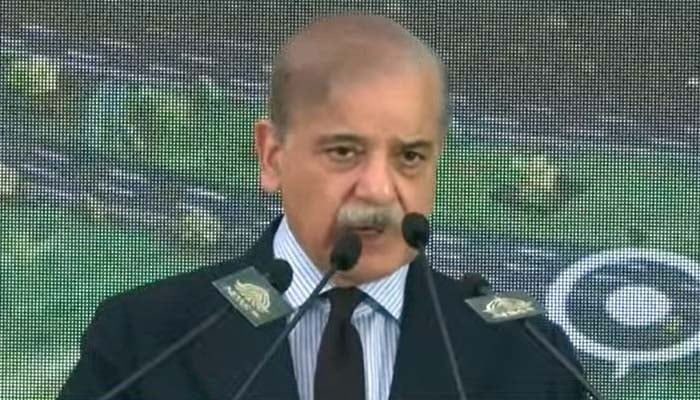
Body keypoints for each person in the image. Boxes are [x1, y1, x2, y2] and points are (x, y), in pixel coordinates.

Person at [58, 13, 584, 400]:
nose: (379, 190)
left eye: (409, 157)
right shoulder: (151, 338)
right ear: (272, 156)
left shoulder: (524, 351)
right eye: (344, 152)